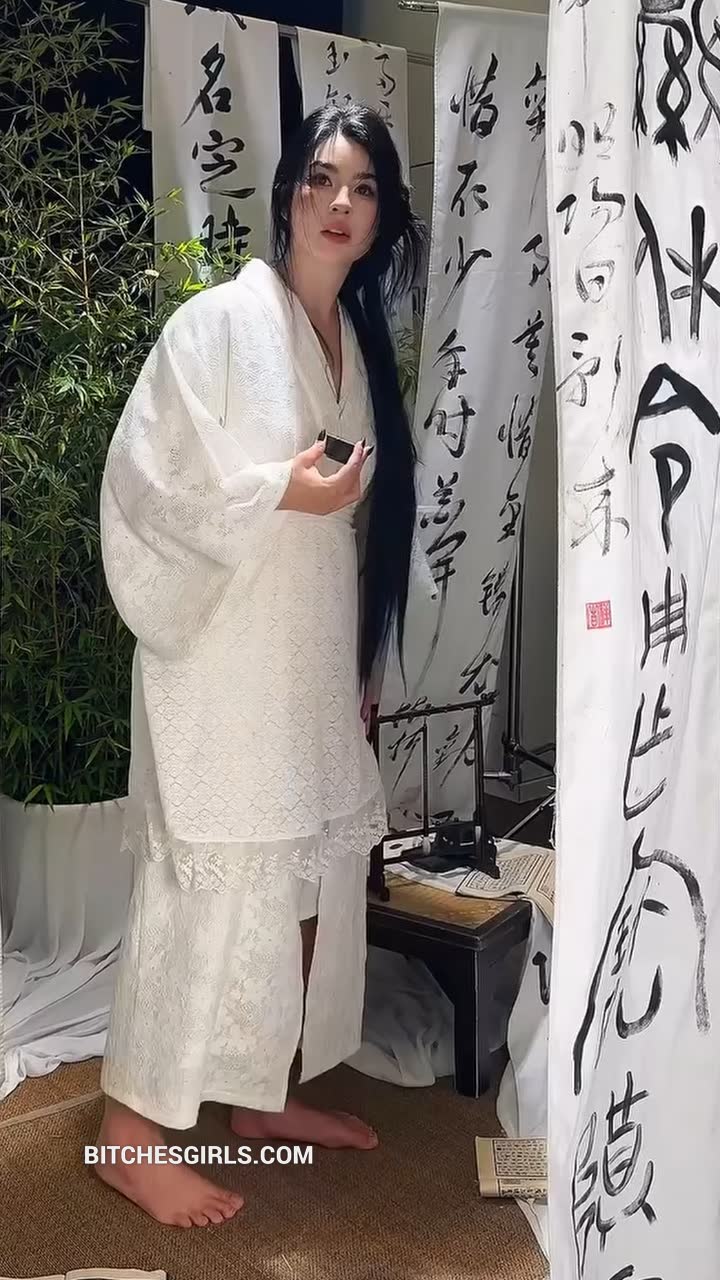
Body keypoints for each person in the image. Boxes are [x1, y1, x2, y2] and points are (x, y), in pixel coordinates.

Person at [95, 102, 432, 1229]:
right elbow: (144, 485)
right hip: (222, 657)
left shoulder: (354, 353)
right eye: (322, 180)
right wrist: (274, 489)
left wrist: (358, 669)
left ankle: (260, 1089)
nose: (341, 203)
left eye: (364, 188)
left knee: (300, 879)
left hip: (304, 660)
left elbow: (353, 537)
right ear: (287, 194)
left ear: (381, 218)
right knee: (207, 881)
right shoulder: (215, 326)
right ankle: (128, 1134)